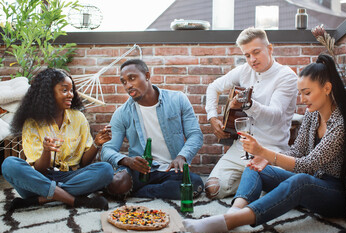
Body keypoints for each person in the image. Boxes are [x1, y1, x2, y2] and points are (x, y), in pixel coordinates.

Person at [183, 54, 346, 233]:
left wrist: (265, 152)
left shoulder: (342, 124)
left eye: (307, 93)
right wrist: (264, 158)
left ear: (327, 88)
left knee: (301, 180)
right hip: (311, 179)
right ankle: (234, 212)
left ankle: (230, 222)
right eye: (300, 93)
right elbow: (297, 151)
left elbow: (308, 164)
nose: (302, 99)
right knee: (253, 166)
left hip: (334, 193)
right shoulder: (312, 115)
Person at [205, 27, 298, 199]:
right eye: (247, 55)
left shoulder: (287, 76)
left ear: (269, 49)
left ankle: (254, 184)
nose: (252, 60)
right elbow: (213, 88)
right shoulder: (244, 70)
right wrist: (212, 117)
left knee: (276, 194)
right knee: (212, 189)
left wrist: (247, 104)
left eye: (256, 52)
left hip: (270, 151)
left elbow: (274, 115)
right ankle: (252, 183)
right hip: (241, 149)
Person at [1, 68, 114, 210]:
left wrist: (97, 144)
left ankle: (41, 199)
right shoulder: (33, 122)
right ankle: (76, 201)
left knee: (106, 169)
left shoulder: (78, 118)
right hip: (39, 179)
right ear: (49, 93)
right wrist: (46, 151)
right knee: (9, 164)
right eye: (64, 90)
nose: (71, 95)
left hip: (70, 176)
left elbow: (84, 163)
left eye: (72, 90)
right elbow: (39, 170)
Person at [101, 59, 204, 200]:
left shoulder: (177, 100)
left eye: (132, 78)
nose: (128, 85)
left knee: (196, 184)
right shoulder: (122, 113)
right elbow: (107, 150)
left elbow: (195, 135)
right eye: (124, 82)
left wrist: (182, 156)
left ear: (147, 76)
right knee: (117, 183)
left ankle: (141, 192)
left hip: (170, 170)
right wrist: (127, 161)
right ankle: (157, 190)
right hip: (140, 172)